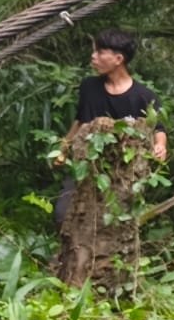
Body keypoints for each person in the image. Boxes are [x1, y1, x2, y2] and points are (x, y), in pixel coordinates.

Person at [54, 28, 167, 226]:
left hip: (123, 172)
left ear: (118, 58)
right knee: (64, 214)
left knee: (114, 220)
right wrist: (63, 149)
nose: (93, 56)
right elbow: (80, 121)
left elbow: (158, 129)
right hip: (86, 165)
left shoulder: (144, 97)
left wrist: (160, 146)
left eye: (99, 52)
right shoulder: (89, 87)